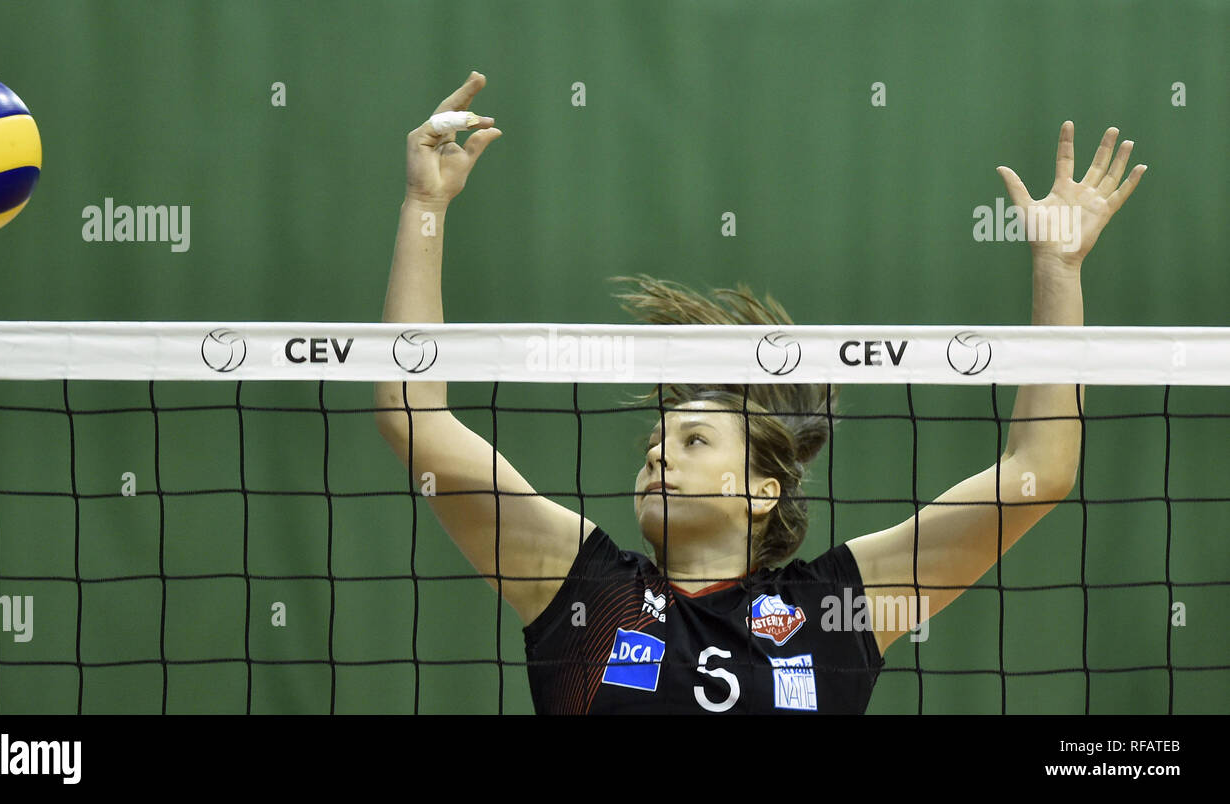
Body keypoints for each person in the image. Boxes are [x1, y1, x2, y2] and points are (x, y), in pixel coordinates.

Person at [374, 71, 1146, 713]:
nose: (655, 455)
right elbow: (414, 418)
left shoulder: (838, 610)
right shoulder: (581, 590)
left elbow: (1037, 475)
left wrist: (1059, 269)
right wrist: (425, 208)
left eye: (692, 439)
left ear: (761, 489)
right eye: (655, 441)